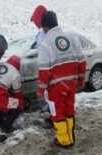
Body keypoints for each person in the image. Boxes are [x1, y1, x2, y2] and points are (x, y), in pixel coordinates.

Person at [37, 11, 87, 147]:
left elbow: (44, 71)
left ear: (45, 27)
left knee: (57, 112)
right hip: (71, 84)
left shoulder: (46, 44)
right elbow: (82, 62)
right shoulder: (72, 38)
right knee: (69, 110)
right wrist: (81, 80)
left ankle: (63, 140)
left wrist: (40, 91)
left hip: (56, 87)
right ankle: (71, 137)